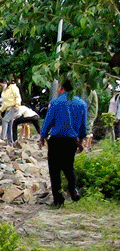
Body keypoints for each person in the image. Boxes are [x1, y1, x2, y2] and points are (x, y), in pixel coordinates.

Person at [39, 79, 87, 207]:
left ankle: (58, 198)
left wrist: (42, 137)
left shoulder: (55, 103)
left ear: (61, 88)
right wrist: (81, 141)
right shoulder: (81, 104)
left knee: (54, 169)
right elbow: (83, 126)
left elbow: (48, 121)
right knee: (69, 165)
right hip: (71, 140)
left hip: (56, 139)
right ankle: (73, 190)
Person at [0, 78, 22, 143]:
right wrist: (0, 111)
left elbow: (18, 97)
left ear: (5, 83)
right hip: (7, 109)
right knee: (9, 127)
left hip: (13, 108)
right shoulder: (4, 91)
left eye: (0, 85)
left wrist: (17, 105)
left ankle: (2, 138)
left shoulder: (13, 88)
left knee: (5, 120)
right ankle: (10, 142)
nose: (0, 87)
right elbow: (4, 103)